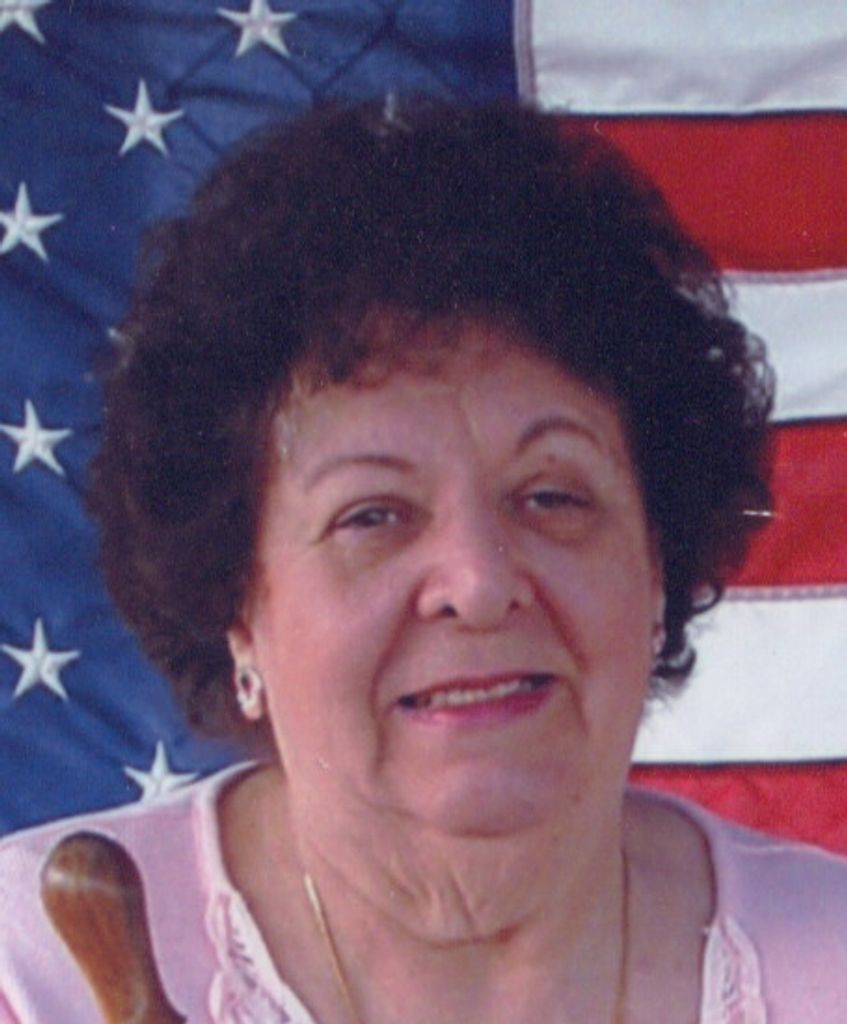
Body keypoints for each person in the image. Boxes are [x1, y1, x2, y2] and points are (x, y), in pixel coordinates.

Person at [1, 100, 845, 1024]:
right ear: (237, 607)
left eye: (552, 497)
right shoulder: (28, 974)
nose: (479, 585)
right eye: (373, 516)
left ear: (655, 566)